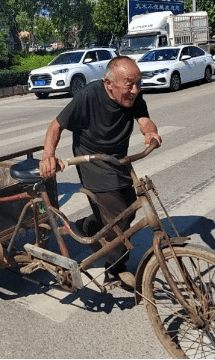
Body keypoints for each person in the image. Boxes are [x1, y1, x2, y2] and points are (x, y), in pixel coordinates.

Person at [39, 56, 161, 286]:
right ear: (109, 84)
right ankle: (114, 270)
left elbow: (144, 118)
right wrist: (48, 156)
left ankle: (89, 226)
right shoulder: (89, 95)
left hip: (117, 159)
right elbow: (56, 125)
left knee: (129, 208)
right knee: (117, 219)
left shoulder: (133, 95)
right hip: (92, 160)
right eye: (129, 85)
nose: (135, 90)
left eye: (138, 83)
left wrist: (150, 132)